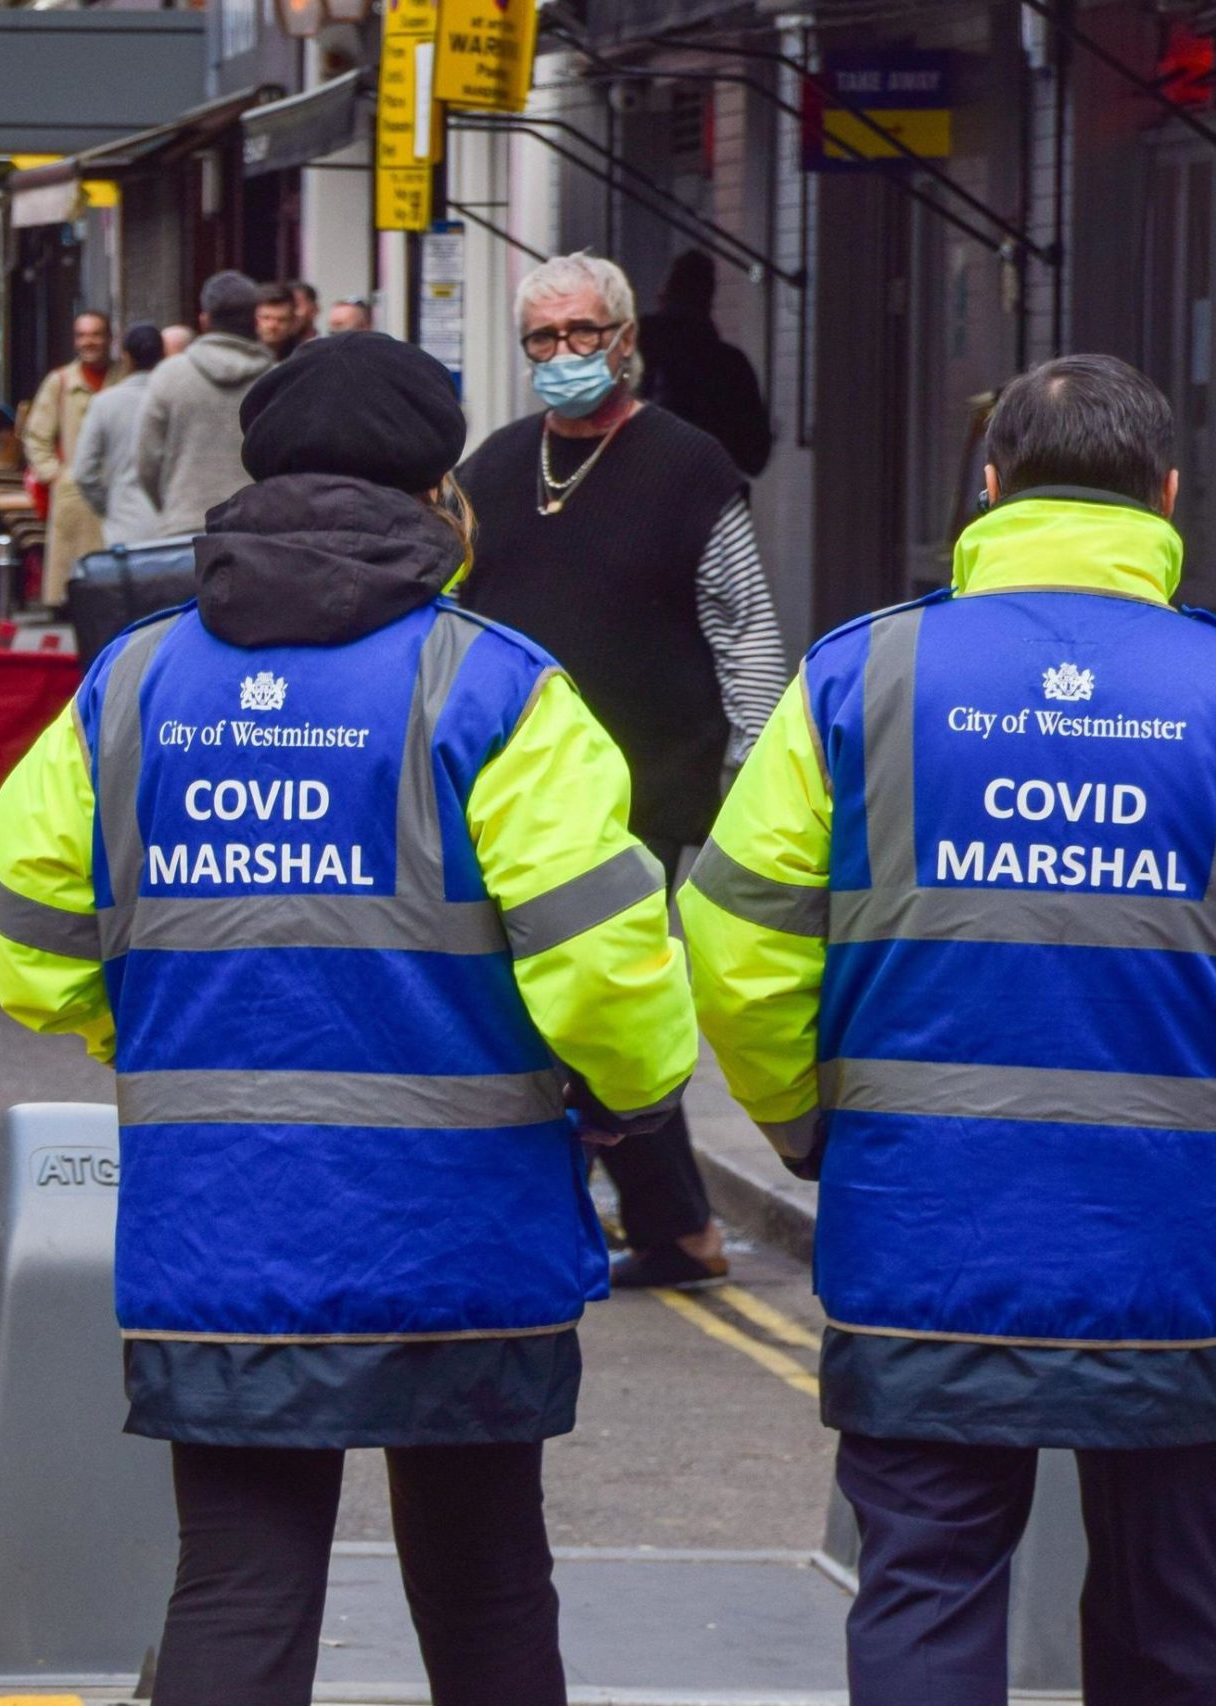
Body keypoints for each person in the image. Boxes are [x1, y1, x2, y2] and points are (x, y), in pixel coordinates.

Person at [0, 330, 696, 1706]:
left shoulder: (131, 684)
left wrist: (148, 1025)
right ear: (445, 494)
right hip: (460, 1232)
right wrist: (632, 1094)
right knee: (486, 1585)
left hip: (222, 1226)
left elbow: (25, 932)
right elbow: (605, 966)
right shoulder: (497, 689)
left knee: (238, 1585)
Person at [684, 354, 1216, 1701]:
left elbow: (734, 939)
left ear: (988, 488)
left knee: (925, 1589)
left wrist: (804, 1125)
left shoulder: (862, 678)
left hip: (925, 1233)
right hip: (1165, 1238)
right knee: (1169, 1598)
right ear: (1172, 497)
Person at [459, 251, 787, 1291]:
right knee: (541, 1007)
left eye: (581, 334)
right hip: (513, 790)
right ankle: (661, 1225)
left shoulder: (688, 465)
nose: (562, 355)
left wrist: (756, 775)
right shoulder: (492, 469)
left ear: (626, 337)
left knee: (600, 1001)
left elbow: (746, 633)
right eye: (543, 340)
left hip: (648, 783)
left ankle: (662, 1225)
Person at [136, 270, 277, 536]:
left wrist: (173, 505)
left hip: (185, 525)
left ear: (204, 320)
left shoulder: (169, 375)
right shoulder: (276, 378)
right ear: (255, 321)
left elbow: (147, 461)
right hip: (258, 529)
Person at [636, 250, 772, 478]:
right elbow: (754, 457)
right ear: (708, 300)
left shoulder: (638, 344)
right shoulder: (731, 365)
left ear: (665, 295)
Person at [21, 310, 125, 606]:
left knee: (117, 586)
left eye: (95, 334)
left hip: (120, 491)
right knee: (72, 586)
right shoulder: (61, 381)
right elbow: (36, 436)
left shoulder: (126, 377)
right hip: (75, 494)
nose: (88, 342)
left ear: (110, 338)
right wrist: (55, 474)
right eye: (81, 335)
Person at [70, 321, 165, 546]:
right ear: (163, 356)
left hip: (124, 526)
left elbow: (84, 472)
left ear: (125, 357)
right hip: (175, 526)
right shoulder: (178, 399)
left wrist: (109, 505)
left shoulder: (104, 403)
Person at [254, 280, 307, 361]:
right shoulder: (241, 353)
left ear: (293, 322)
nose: (272, 326)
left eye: (282, 320)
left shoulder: (302, 356)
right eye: (266, 318)